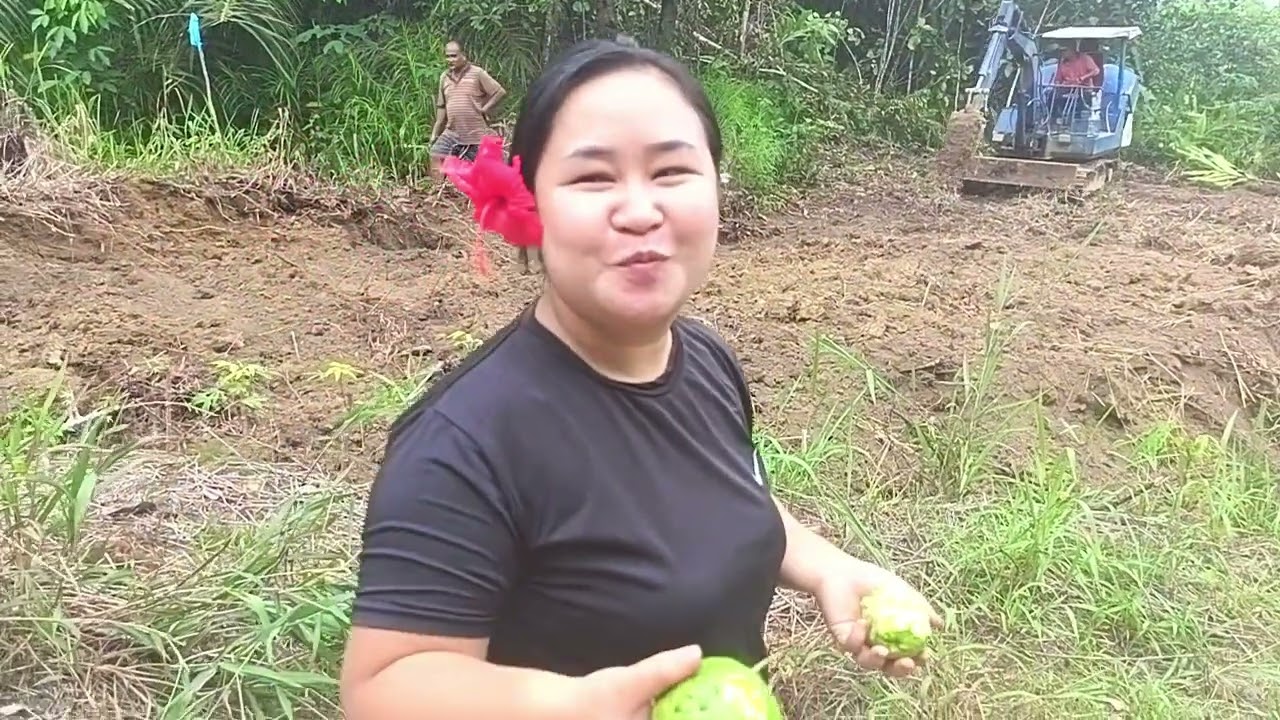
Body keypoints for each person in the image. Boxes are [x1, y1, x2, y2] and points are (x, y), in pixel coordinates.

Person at [340, 38, 942, 720]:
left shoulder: (706, 361)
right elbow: (381, 689)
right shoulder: (465, 441)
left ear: (716, 188)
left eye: (672, 171)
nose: (639, 209)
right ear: (529, 201)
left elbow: (708, 500)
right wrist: (567, 706)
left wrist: (831, 569)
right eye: (594, 178)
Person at [429, 39, 507, 174]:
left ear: (464, 55)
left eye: (454, 56)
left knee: (481, 170)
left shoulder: (477, 73)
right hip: (452, 132)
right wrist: (435, 132)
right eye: (447, 56)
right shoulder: (444, 77)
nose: (450, 60)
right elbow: (441, 107)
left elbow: (499, 92)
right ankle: (437, 191)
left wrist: (485, 108)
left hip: (475, 134)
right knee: (436, 154)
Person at [1050, 45, 1101, 124]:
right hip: (1068, 87)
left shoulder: (1085, 58)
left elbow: (1096, 70)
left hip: (1084, 87)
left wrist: (1083, 78)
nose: (1062, 53)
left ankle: (1077, 123)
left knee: (1080, 100)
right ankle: (1053, 120)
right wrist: (1057, 84)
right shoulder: (1062, 62)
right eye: (1061, 51)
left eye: (1064, 51)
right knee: (1051, 94)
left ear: (1072, 50)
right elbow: (1058, 78)